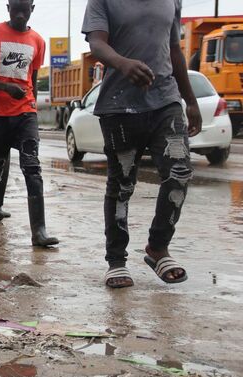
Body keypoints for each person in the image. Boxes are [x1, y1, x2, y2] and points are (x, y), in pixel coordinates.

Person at [83, 0, 200, 288]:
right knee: (122, 185)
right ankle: (117, 260)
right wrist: (122, 63)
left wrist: (191, 100)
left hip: (165, 101)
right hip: (118, 105)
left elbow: (174, 50)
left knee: (180, 173)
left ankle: (158, 248)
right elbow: (96, 44)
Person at [0, 0, 59, 247]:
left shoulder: (38, 41)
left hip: (25, 113)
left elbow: (31, 78)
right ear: (7, 7)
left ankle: (39, 231)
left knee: (32, 168)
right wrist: (5, 87)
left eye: (25, 9)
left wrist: (27, 101)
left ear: (33, 8)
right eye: (15, 9)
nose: (20, 14)